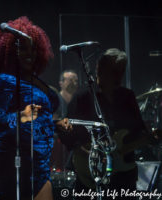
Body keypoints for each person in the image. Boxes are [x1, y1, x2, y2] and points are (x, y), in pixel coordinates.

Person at [0, 16, 71, 200]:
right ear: (8, 51)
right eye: (22, 48)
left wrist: (55, 125)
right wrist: (20, 116)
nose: (29, 54)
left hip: (40, 167)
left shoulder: (37, 82)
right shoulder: (4, 81)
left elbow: (37, 121)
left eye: (33, 49)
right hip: (16, 167)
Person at [67, 48, 159, 199]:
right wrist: (91, 153)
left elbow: (138, 130)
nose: (119, 75)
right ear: (99, 69)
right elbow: (68, 134)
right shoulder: (82, 97)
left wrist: (150, 138)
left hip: (124, 174)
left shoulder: (127, 96)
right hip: (91, 172)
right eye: (114, 70)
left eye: (121, 70)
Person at [51, 70, 78, 171]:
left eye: (76, 81)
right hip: (58, 140)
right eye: (70, 80)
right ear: (60, 83)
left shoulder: (77, 100)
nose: (73, 83)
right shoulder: (56, 99)